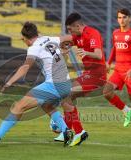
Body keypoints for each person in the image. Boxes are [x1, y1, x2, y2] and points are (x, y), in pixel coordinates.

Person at [0, 22, 74, 146]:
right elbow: (71, 38)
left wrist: (9, 83)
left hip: (54, 84)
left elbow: (25, 67)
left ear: (26, 38)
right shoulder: (50, 39)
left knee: (19, 106)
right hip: (66, 84)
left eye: (23, 39)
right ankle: (66, 131)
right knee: (47, 106)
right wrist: (69, 47)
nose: (23, 41)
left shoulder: (34, 47)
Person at [52, 12, 107, 146]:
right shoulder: (78, 36)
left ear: (77, 26)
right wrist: (63, 48)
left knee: (67, 95)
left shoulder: (92, 33)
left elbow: (99, 55)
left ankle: (79, 131)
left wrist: (87, 52)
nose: (70, 32)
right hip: (89, 74)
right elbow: (67, 41)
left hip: (97, 74)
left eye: (70, 29)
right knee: (68, 96)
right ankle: (67, 131)